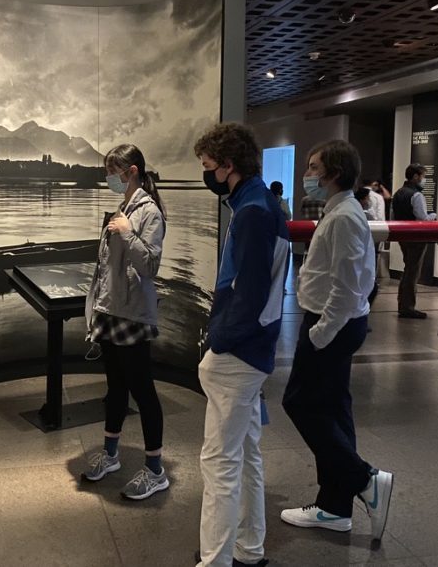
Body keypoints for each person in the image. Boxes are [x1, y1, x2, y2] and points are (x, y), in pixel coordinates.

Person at [281, 140, 393, 542]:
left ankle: (364, 478)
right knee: (332, 408)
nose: (308, 174)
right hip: (334, 322)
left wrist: (320, 332)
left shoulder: (344, 216)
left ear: (332, 173)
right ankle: (334, 506)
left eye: (313, 167)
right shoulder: (339, 212)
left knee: (298, 402)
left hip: (332, 325)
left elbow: (349, 285)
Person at [193, 123, 289, 567]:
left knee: (219, 464)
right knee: (246, 455)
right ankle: (249, 549)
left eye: (209, 167)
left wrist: (219, 341)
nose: (207, 175)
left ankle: (215, 561)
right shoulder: (260, 203)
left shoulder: (251, 212)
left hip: (238, 354)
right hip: (255, 349)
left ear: (228, 166)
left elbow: (248, 293)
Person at [82, 144, 169, 501]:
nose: (109, 178)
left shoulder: (148, 213)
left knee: (143, 391)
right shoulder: (124, 207)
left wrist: (127, 233)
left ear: (131, 171)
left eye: (112, 171)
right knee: (115, 387)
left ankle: (155, 470)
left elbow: (149, 266)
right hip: (111, 310)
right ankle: (112, 454)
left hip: (132, 314)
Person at [392, 163, 436, 319]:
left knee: (408, 269)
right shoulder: (416, 195)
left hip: (402, 236)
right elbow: (422, 218)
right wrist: (433, 216)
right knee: (413, 271)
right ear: (416, 176)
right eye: (423, 176)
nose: (424, 180)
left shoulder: (398, 193)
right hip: (416, 238)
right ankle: (408, 306)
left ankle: (403, 303)